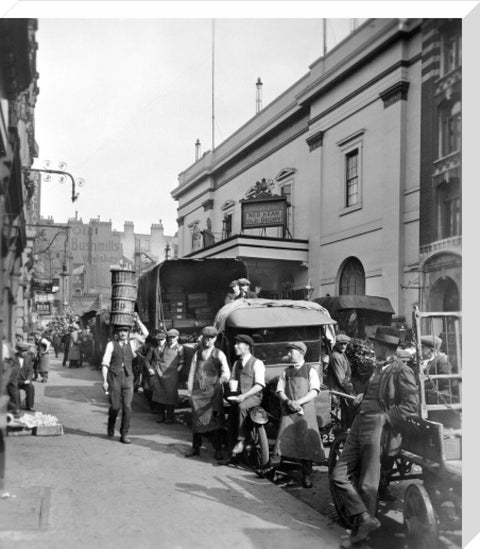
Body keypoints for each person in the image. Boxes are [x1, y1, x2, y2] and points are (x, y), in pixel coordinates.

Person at [331, 327, 418, 545]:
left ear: (383, 347)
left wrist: (386, 418)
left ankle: (364, 536)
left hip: (377, 424)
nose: (372, 347)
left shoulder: (401, 370)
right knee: (338, 475)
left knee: (368, 484)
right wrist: (363, 395)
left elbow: (410, 404)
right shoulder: (378, 367)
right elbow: (375, 393)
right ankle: (363, 517)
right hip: (360, 420)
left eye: (375, 344)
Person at [272, 341, 324, 488]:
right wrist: (288, 401)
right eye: (288, 351)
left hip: (305, 411)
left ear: (301, 353)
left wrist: (299, 402)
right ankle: (280, 471)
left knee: (305, 442)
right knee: (284, 440)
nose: (288, 354)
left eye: (291, 351)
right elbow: (280, 390)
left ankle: (307, 474)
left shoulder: (310, 371)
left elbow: (314, 391)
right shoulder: (286, 372)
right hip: (289, 411)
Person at [101, 314, 148, 444]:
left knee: (127, 407)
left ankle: (124, 434)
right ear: (117, 332)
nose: (123, 333)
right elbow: (105, 364)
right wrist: (105, 381)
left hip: (128, 378)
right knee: (115, 407)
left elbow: (145, 334)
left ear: (128, 332)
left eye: (125, 331)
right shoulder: (111, 344)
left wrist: (138, 321)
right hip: (114, 377)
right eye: (120, 331)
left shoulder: (133, 344)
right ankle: (111, 424)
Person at [186, 326, 230, 460]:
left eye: (210, 339)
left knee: (214, 421)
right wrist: (190, 392)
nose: (207, 341)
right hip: (198, 393)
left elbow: (226, 372)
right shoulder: (197, 354)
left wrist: (222, 379)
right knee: (197, 420)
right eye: (205, 338)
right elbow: (192, 372)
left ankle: (217, 449)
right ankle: (195, 448)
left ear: (215, 339)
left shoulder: (219, 354)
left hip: (213, 393)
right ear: (202, 338)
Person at [227, 334, 265, 457]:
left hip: (253, 396)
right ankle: (232, 454)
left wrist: (244, 395)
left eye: (238, 344)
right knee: (231, 413)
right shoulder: (236, 364)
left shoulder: (257, 363)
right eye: (235, 343)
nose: (235, 346)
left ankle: (242, 440)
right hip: (239, 396)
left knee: (242, 407)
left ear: (247, 347)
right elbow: (233, 379)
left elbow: (259, 385)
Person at [147, 328, 185, 424]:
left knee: (170, 396)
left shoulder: (180, 348)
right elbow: (158, 358)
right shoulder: (165, 347)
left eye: (174, 337)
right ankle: (160, 416)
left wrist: (177, 371)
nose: (171, 339)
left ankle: (169, 417)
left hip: (172, 375)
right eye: (170, 337)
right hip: (160, 373)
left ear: (177, 337)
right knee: (159, 394)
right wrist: (155, 368)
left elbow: (181, 362)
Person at [325, 334, 356, 428]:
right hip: (337, 392)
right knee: (341, 418)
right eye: (341, 344)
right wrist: (351, 392)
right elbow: (341, 379)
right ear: (336, 344)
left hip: (341, 390)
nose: (343, 346)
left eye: (345, 344)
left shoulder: (341, 354)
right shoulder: (336, 356)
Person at [420, 335, 452, 404]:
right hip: (427, 397)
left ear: (431, 350)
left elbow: (444, 380)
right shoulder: (425, 361)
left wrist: (423, 385)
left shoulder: (441, 361)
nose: (419, 350)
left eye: (422, 347)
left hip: (439, 399)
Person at [7, 342, 35, 413]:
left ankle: (29, 406)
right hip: (14, 381)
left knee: (31, 387)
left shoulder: (28, 358)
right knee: (14, 390)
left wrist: (28, 379)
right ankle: (16, 407)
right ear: (18, 350)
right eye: (23, 351)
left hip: (24, 380)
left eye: (26, 351)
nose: (24, 353)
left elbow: (30, 370)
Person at [144, 331, 168, 414]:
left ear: (165, 339)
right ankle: (153, 407)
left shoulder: (169, 348)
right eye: (159, 340)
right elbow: (147, 360)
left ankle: (163, 408)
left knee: (164, 389)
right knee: (148, 388)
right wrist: (149, 368)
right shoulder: (153, 349)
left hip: (165, 371)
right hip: (154, 371)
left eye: (162, 340)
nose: (160, 341)